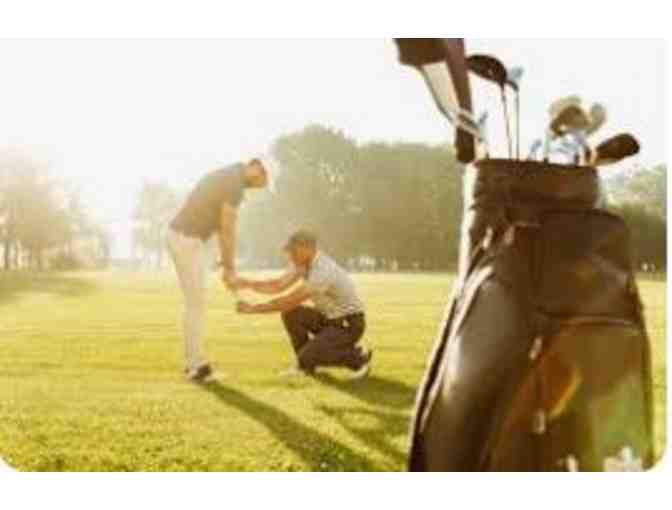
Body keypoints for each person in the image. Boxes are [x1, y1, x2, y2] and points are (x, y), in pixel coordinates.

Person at [166, 158, 275, 381]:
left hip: (188, 239)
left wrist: (223, 263)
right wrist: (230, 269)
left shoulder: (230, 176)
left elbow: (214, 223)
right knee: (195, 304)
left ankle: (195, 364)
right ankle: (195, 367)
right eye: (260, 181)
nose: (256, 187)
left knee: (196, 303)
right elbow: (227, 229)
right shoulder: (234, 183)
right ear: (255, 167)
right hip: (185, 239)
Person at [235, 230, 372, 379]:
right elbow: (278, 285)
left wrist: (253, 309)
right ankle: (305, 367)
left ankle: (359, 359)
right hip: (329, 319)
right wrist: (247, 283)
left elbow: (289, 300)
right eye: (289, 251)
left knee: (306, 353)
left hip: (348, 325)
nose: (290, 256)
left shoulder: (323, 271)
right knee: (292, 314)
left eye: (293, 251)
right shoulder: (302, 263)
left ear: (308, 248)